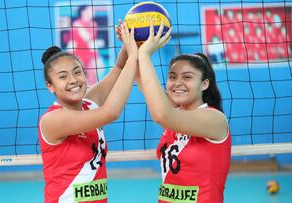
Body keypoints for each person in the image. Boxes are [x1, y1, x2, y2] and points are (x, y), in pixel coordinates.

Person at [38, 22, 138, 203]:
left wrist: (130, 40)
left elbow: (119, 69)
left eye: (78, 72)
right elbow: (111, 113)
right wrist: (135, 56)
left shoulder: (88, 104)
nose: (73, 80)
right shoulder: (53, 119)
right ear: (50, 87)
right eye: (62, 76)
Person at [137, 21, 231, 203]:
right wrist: (133, 45)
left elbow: (161, 115)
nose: (177, 82)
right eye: (172, 77)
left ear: (204, 84)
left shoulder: (214, 119)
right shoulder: (174, 112)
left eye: (187, 77)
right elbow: (140, 76)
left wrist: (145, 54)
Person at [67, 5, 105, 86]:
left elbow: (89, 41)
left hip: (90, 54)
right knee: (79, 78)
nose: (93, 12)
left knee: (94, 75)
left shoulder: (93, 24)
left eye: (93, 10)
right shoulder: (76, 23)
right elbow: (73, 42)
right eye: (90, 10)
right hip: (77, 54)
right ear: (83, 12)